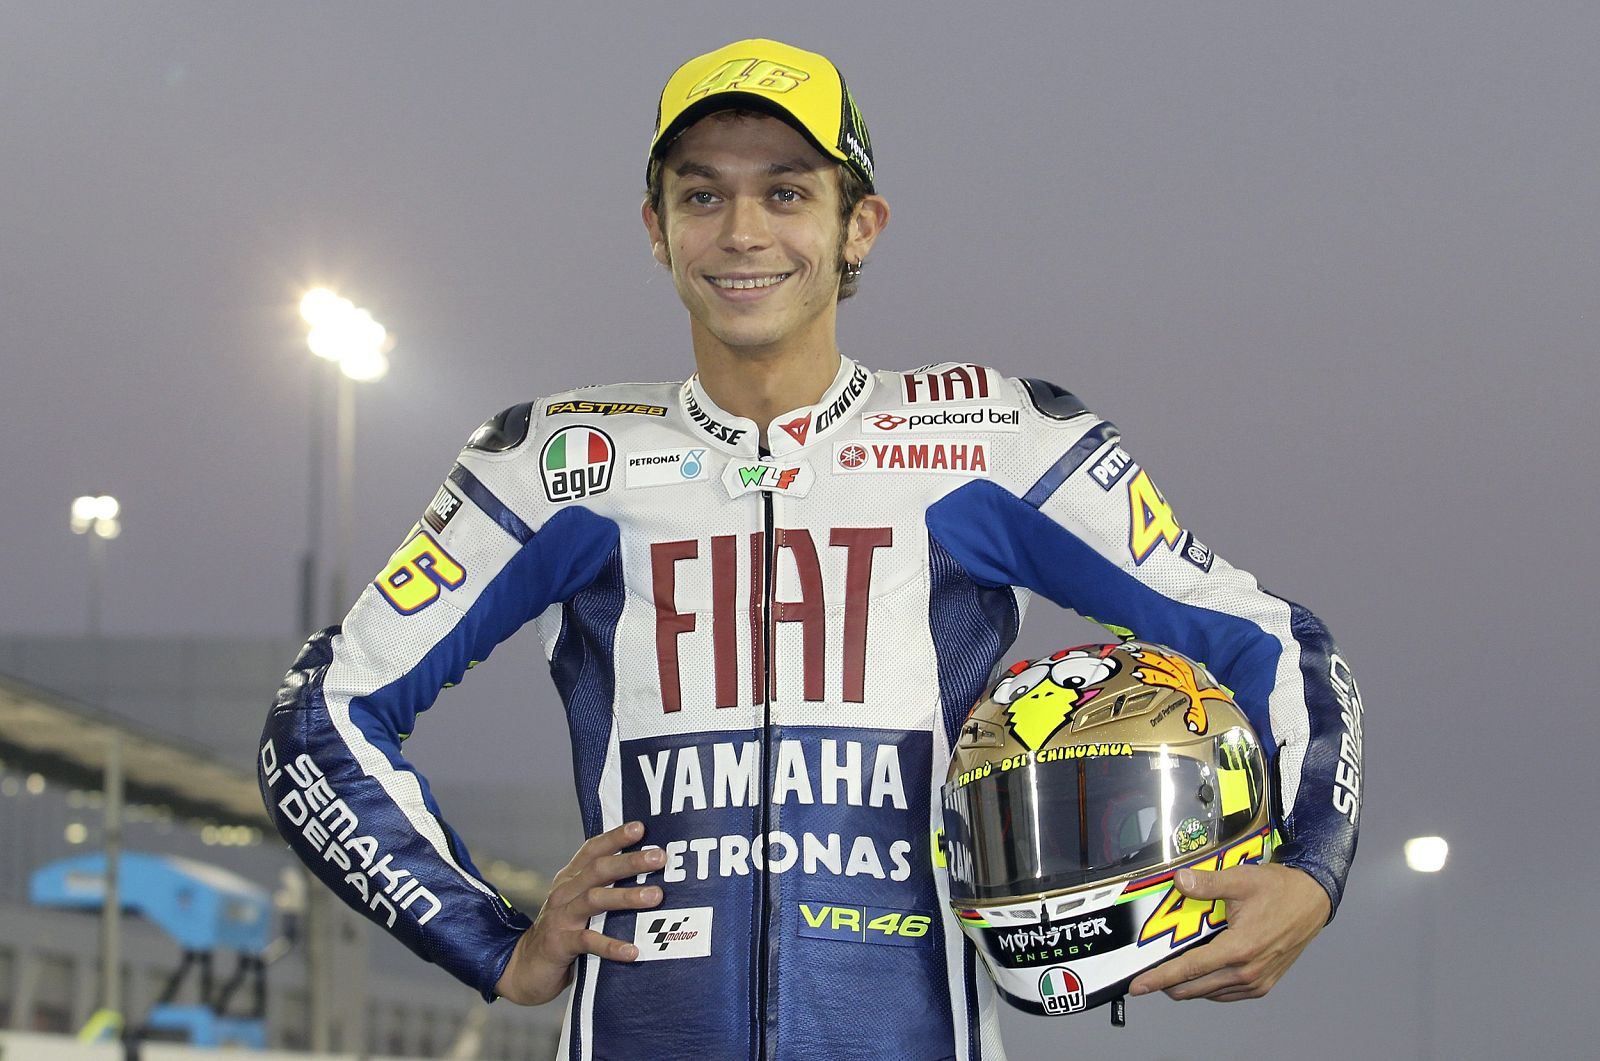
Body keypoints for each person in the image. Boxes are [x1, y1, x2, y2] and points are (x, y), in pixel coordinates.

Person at [259, 38, 1363, 1060]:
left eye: (786, 192)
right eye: (702, 195)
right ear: (655, 229)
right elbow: (316, 720)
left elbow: (1270, 637)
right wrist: (492, 941)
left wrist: (1308, 871)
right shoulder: (554, 458)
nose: (742, 233)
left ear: (858, 226)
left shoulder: (995, 439)